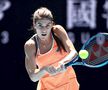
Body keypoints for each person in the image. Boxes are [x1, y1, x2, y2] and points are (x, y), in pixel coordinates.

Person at [24, 7, 79, 90]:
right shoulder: (30, 45)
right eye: (40, 25)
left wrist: (63, 62)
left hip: (69, 85)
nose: (44, 30)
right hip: (47, 88)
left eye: (47, 25)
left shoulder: (58, 31)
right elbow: (33, 77)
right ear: (34, 24)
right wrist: (44, 69)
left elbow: (73, 52)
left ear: (52, 24)